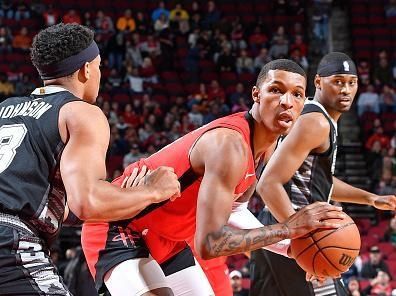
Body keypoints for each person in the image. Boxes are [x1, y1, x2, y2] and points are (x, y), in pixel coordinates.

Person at [82, 59, 347, 296]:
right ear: (256, 94)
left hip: (167, 238)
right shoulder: (230, 145)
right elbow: (209, 243)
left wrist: (293, 249)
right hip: (120, 225)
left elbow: (235, 212)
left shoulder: (266, 147)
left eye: (297, 94)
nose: (287, 102)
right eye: (276, 90)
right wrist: (288, 228)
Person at [0, 23, 180, 295]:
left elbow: (58, 203)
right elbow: (87, 202)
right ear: (86, 69)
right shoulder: (80, 112)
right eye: (99, 66)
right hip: (11, 244)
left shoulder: (5, 108)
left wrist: (119, 198)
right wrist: (152, 190)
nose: (99, 73)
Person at [250, 52, 396, 296]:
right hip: (293, 227)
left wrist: (370, 198)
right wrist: (303, 239)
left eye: (352, 82)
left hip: (275, 228)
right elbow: (268, 184)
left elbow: (317, 179)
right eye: (338, 81)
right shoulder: (316, 122)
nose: (346, 90)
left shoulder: (313, 116)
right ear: (318, 82)